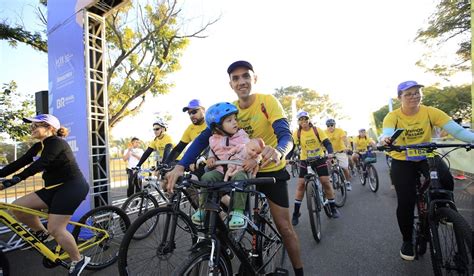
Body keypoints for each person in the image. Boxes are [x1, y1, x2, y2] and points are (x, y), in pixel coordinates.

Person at [166, 60, 304, 275]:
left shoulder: (268, 102)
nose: (242, 81)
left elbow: (285, 135)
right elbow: (204, 138)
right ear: (230, 83)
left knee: (285, 228)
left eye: (246, 76)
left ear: (254, 79)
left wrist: (278, 150)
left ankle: (299, 271)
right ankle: (226, 247)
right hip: (238, 170)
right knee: (215, 200)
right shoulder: (228, 109)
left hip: (270, 170)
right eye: (236, 78)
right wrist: (180, 165)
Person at [380, 80, 474, 261]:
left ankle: (444, 207)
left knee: (445, 177)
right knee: (406, 201)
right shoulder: (392, 116)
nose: (414, 96)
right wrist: (386, 139)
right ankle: (407, 240)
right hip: (402, 159)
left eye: (417, 92)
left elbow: (458, 131)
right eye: (408, 94)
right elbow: (387, 132)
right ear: (400, 98)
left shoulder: (431, 112)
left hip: (425, 155)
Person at [0, 114, 90, 275]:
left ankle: (78, 259)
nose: (32, 128)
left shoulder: (57, 143)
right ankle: (43, 233)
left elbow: (42, 163)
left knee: (56, 228)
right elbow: (18, 163)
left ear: (50, 128)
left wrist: (16, 179)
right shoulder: (38, 146)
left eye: (36, 125)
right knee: (18, 207)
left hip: (72, 186)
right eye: (31, 125)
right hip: (53, 187)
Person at [191, 102, 263, 230]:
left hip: (239, 170)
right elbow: (212, 152)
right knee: (207, 177)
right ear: (217, 127)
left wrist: (255, 160)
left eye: (235, 119)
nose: (235, 122)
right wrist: (211, 158)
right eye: (229, 120)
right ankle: (203, 208)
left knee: (240, 177)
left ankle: (238, 212)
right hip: (221, 171)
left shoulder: (242, 137)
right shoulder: (213, 140)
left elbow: (257, 152)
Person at [291, 111, 339, 226]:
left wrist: (330, 153)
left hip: (319, 159)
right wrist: (287, 158)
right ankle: (296, 213)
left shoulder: (317, 130)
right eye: (301, 119)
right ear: (298, 121)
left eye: (305, 119)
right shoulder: (297, 133)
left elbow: (327, 143)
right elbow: (293, 147)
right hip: (305, 160)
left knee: (325, 182)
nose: (303, 121)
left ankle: (333, 207)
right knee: (301, 184)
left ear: (309, 119)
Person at [164, 99, 207, 166]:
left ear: (203, 110)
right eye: (189, 113)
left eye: (194, 112)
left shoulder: (211, 123)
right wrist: (165, 164)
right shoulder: (190, 128)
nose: (191, 115)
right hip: (196, 163)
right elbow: (179, 148)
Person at [325, 118, 352, 191]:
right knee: (327, 162)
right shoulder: (324, 132)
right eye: (328, 126)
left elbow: (345, 139)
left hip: (340, 151)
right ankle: (332, 175)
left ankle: (348, 182)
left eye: (331, 125)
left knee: (345, 168)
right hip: (330, 152)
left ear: (334, 125)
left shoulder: (339, 131)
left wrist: (347, 147)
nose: (330, 127)